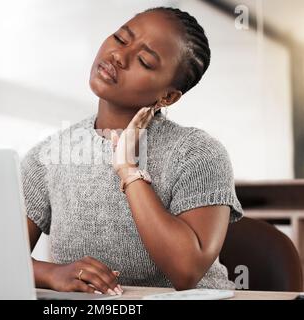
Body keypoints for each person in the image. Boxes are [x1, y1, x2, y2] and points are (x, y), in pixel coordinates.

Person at [21, 6, 243, 296]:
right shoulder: (49, 155)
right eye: (120, 38)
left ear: (167, 96)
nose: (118, 56)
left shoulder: (198, 154)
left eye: (144, 60)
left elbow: (186, 271)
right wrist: (51, 273)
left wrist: (128, 168)